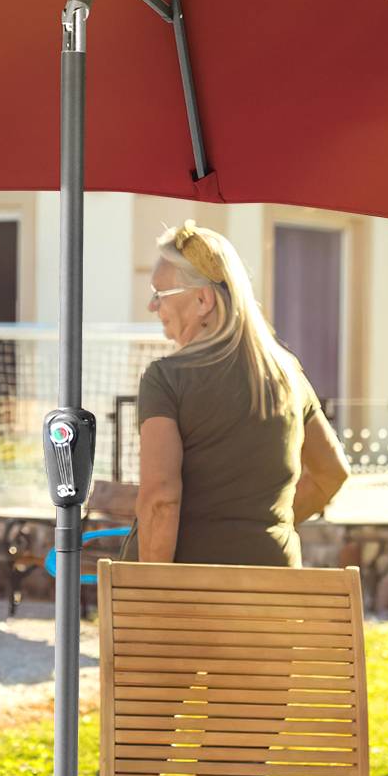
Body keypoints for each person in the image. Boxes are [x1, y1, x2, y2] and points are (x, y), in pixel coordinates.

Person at [126, 221, 350, 566]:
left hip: (194, 595)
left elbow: (161, 499)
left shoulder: (167, 379)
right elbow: (332, 472)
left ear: (203, 300)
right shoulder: (287, 372)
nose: (152, 307)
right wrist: (265, 526)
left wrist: (149, 594)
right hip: (274, 593)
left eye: (160, 294)